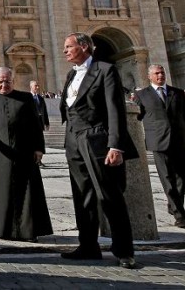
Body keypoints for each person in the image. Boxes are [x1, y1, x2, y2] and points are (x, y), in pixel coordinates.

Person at [60, 32, 138, 269]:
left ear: (83, 47)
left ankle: (124, 250)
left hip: (97, 138)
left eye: (68, 46)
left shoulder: (105, 70)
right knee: (82, 196)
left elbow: (115, 109)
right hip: (74, 140)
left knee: (109, 195)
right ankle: (88, 246)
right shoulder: (71, 74)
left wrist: (116, 145)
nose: (65, 51)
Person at [0, 67, 53, 241]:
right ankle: (3, 230)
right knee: (3, 192)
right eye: (0, 82)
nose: (4, 84)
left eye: (7, 81)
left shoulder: (26, 98)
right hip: (1, 155)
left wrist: (39, 148)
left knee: (27, 192)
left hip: (25, 152)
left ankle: (28, 231)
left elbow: (36, 125)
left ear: (13, 81)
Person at [134, 64, 185, 228]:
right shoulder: (142, 95)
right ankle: (180, 215)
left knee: (181, 178)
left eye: (162, 72)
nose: (160, 75)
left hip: (181, 141)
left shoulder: (177, 93)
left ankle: (173, 205)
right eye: (156, 73)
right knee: (167, 178)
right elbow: (137, 117)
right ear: (149, 76)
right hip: (159, 141)